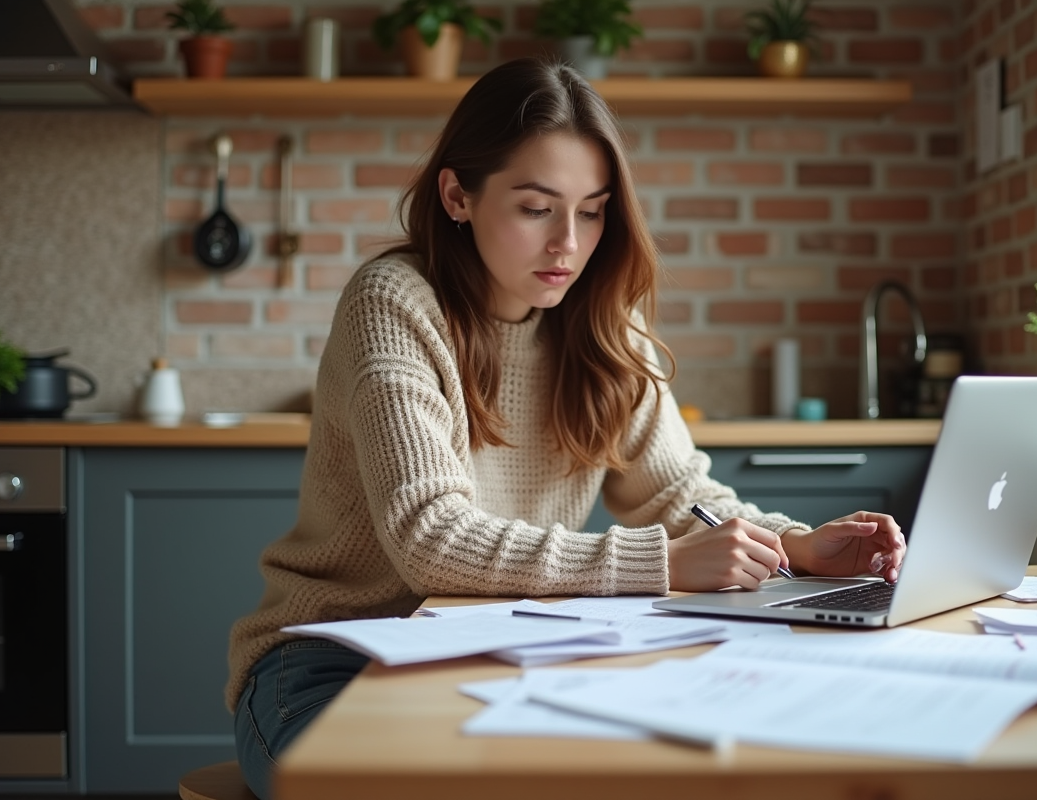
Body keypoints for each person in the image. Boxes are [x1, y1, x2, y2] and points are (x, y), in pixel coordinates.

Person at [227, 57, 905, 800]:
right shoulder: (394, 302)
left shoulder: (606, 325)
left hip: (503, 657)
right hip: (332, 664)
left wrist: (795, 548)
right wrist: (666, 564)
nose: (568, 245)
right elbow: (430, 537)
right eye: (535, 208)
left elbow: (681, 499)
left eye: (591, 210)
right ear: (458, 195)